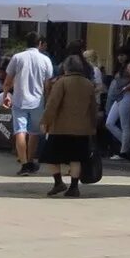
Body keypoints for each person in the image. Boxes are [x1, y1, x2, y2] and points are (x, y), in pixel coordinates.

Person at [40, 54, 99, 198]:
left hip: (60, 128)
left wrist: (45, 121)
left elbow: (52, 104)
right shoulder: (88, 84)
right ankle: (74, 187)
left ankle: (58, 182)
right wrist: (93, 126)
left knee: (50, 157)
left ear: (65, 68)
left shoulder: (62, 82)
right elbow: (93, 108)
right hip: (82, 129)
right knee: (76, 158)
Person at [3, 33, 55, 177]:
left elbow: (8, 80)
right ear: (39, 43)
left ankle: (24, 163)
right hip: (38, 101)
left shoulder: (17, 58)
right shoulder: (45, 60)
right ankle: (31, 160)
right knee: (34, 133)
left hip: (19, 99)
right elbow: (48, 85)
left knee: (20, 131)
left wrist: (6, 94)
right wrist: (47, 100)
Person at [104, 55, 130, 159]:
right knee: (109, 123)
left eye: (122, 55)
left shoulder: (129, 66)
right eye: (118, 55)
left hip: (127, 95)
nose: (120, 57)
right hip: (120, 96)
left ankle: (124, 151)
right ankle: (127, 145)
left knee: (124, 124)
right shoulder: (121, 67)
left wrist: (126, 88)